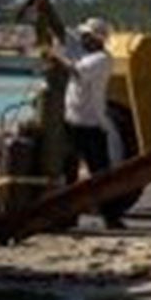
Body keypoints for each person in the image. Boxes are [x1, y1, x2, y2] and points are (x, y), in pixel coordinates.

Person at [49, 17, 126, 229]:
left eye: (86, 36)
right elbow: (68, 41)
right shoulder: (89, 56)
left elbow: (75, 70)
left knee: (100, 174)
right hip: (74, 121)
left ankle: (111, 216)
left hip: (90, 124)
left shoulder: (102, 59)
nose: (82, 39)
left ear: (96, 39)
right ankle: (69, 216)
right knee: (69, 172)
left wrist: (56, 58)